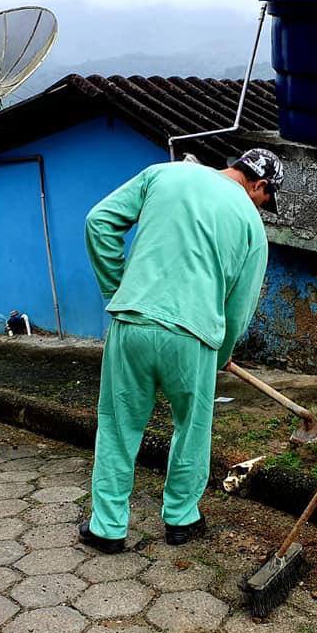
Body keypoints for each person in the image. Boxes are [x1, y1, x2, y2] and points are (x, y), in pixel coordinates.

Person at [80, 148, 283, 553]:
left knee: (119, 427)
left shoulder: (164, 174)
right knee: (192, 428)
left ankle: (107, 527)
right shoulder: (252, 228)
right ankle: (181, 518)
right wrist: (221, 352)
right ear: (258, 185)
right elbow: (239, 307)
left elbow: (98, 222)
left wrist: (116, 289)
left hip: (133, 322)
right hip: (194, 337)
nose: (262, 207)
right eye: (266, 200)